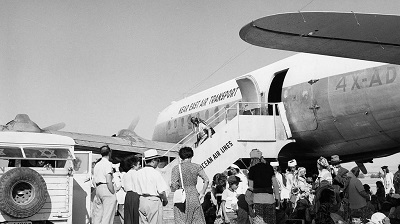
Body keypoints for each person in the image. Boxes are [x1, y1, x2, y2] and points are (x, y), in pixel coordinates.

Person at [170, 146, 209, 224]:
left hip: (181, 196)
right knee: (196, 219)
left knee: (181, 219)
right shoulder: (197, 167)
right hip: (194, 195)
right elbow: (206, 180)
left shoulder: (176, 168)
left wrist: (178, 187)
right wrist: (202, 192)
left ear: (180, 156)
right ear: (192, 155)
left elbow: (174, 185)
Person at [135, 149, 169, 224]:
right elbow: (161, 191)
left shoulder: (138, 173)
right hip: (153, 201)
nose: (158, 162)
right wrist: (165, 200)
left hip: (141, 200)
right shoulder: (155, 173)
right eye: (158, 160)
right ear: (153, 161)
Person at [248, 149, 280, 224]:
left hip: (257, 200)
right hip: (270, 200)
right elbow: (275, 185)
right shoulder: (269, 168)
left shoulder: (252, 170)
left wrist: (250, 203)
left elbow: (251, 187)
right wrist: (277, 198)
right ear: (261, 157)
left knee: (258, 221)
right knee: (270, 222)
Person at [92, 145, 117, 224]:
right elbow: (108, 179)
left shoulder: (97, 164)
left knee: (98, 214)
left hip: (98, 189)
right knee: (107, 215)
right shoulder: (108, 164)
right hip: (106, 187)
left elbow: (94, 179)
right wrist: (113, 192)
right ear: (109, 153)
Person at [123, 155, 141, 224]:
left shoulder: (126, 174)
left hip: (128, 195)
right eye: (138, 164)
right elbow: (138, 186)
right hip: (135, 195)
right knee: (135, 216)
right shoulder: (136, 173)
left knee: (128, 217)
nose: (139, 166)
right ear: (134, 165)